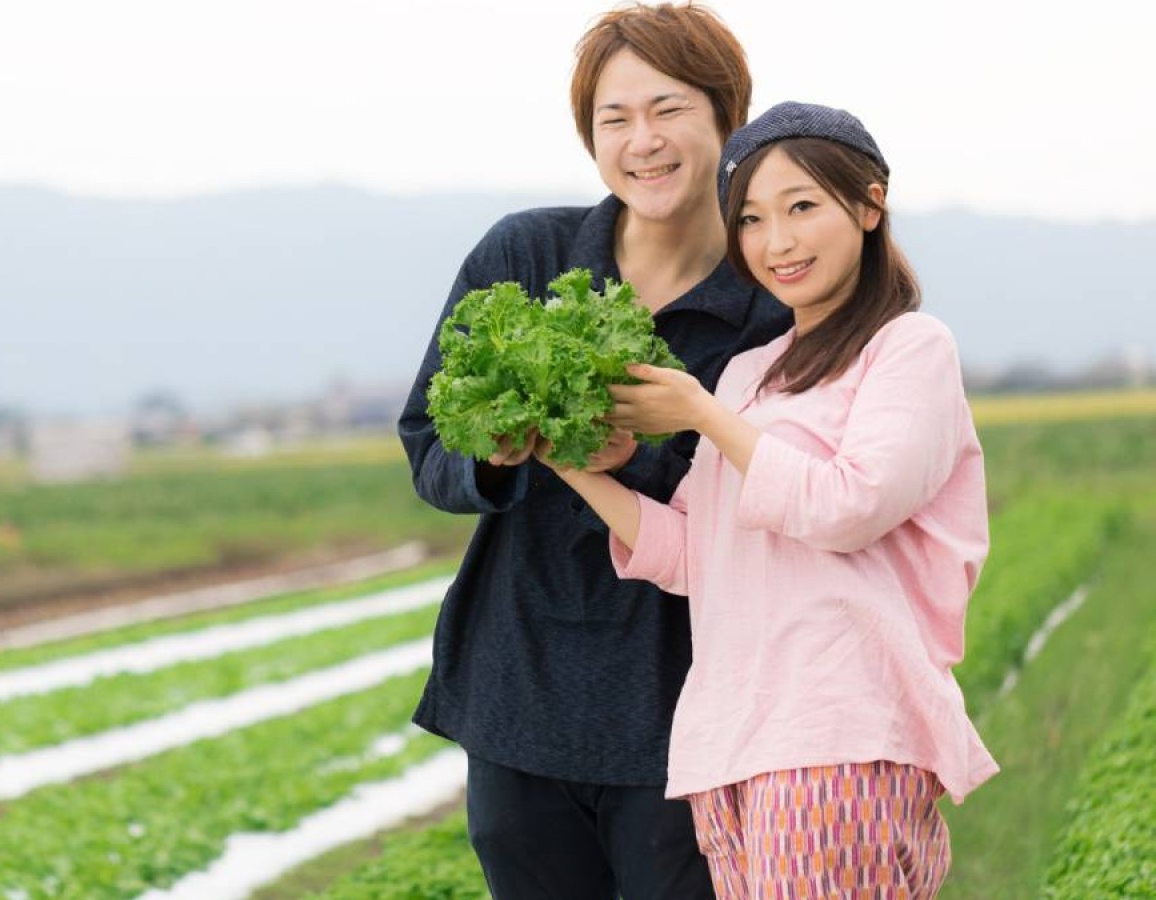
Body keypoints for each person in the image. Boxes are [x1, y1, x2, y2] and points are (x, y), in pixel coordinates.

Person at [542, 102, 1000, 898]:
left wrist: (702, 416)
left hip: (837, 730)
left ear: (868, 203)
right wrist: (566, 463)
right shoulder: (751, 373)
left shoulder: (908, 349)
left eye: (801, 207)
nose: (776, 242)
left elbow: (848, 507)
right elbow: (694, 553)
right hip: (732, 740)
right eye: (751, 219)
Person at [397, 4, 791, 897]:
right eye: (614, 119)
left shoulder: (771, 294)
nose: (642, 141)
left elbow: (772, 500)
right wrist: (495, 456)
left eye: (669, 109)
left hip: (685, 700)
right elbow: (427, 444)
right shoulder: (524, 255)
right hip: (522, 688)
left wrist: (638, 456)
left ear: (728, 117)